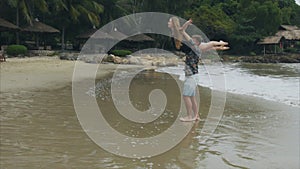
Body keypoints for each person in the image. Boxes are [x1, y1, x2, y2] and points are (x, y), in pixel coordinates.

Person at [168, 17, 229, 122]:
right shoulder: (196, 50)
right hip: (194, 76)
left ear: (196, 43)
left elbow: (186, 36)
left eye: (169, 21)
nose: (168, 23)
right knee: (191, 97)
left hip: (191, 76)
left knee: (186, 96)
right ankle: (196, 116)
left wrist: (185, 26)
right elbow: (185, 36)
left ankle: (189, 116)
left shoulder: (195, 48)